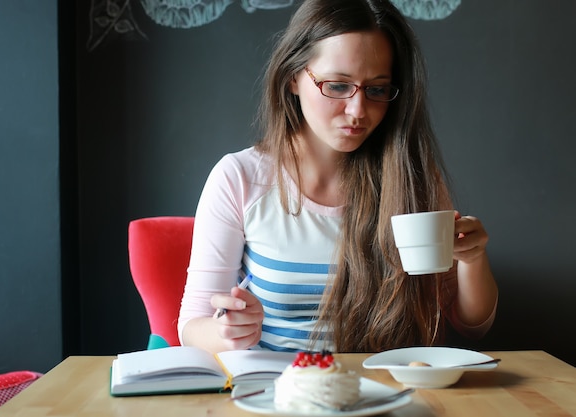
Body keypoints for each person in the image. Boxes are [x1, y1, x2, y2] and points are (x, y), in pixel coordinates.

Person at [178, 0, 498, 354]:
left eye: (377, 89)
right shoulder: (240, 178)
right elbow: (191, 323)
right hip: (275, 395)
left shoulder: (413, 178)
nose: (358, 111)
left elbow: (470, 326)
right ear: (292, 78)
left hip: (386, 393)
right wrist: (227, 331)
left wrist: (472, 260)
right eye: (337, 85)